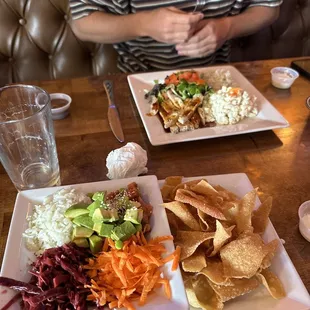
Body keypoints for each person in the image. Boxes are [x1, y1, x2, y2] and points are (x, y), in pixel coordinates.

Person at [69, 0, 282, 73]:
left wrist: (227, 27)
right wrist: (143, 24)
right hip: (137, 79)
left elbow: (269, 8)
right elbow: (82, 23)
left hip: (216, 78)